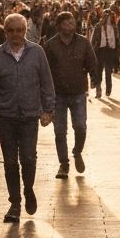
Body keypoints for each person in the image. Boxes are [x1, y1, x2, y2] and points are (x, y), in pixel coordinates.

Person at [0, 13, 55, 222]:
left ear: (25, 31)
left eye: (19, 30)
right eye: (11, 30)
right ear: (5, 32)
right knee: (9, 162)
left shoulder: (37, 52)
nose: (16, 34)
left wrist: (48, 110)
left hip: (29, 115)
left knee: (28, 157)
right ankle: (14, 203)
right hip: (6, 115)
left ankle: (28, 189)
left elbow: (46, 82)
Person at [44, 10, 98, 179]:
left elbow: (92, 62)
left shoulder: (83, 43)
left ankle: (77, 151)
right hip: (57, 94)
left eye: (72, 23)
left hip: (78, 92)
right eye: (67, 23)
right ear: (59, 25)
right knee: (60, 131)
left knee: (80, 126)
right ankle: (63, 164)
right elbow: (45, 71)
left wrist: (95, 78)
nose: (71, 26)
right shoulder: (51, 45)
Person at [91, 9, 120, 97]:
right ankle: (98, 90)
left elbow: (117, 39)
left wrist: (118, 51)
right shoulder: (98, 26)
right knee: (99, 72)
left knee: (108, 72)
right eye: (107, 17)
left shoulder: (114, 27)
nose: (108, 19)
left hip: (110, 52)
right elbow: (93, 40)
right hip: (100, 51)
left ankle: (108, 89)